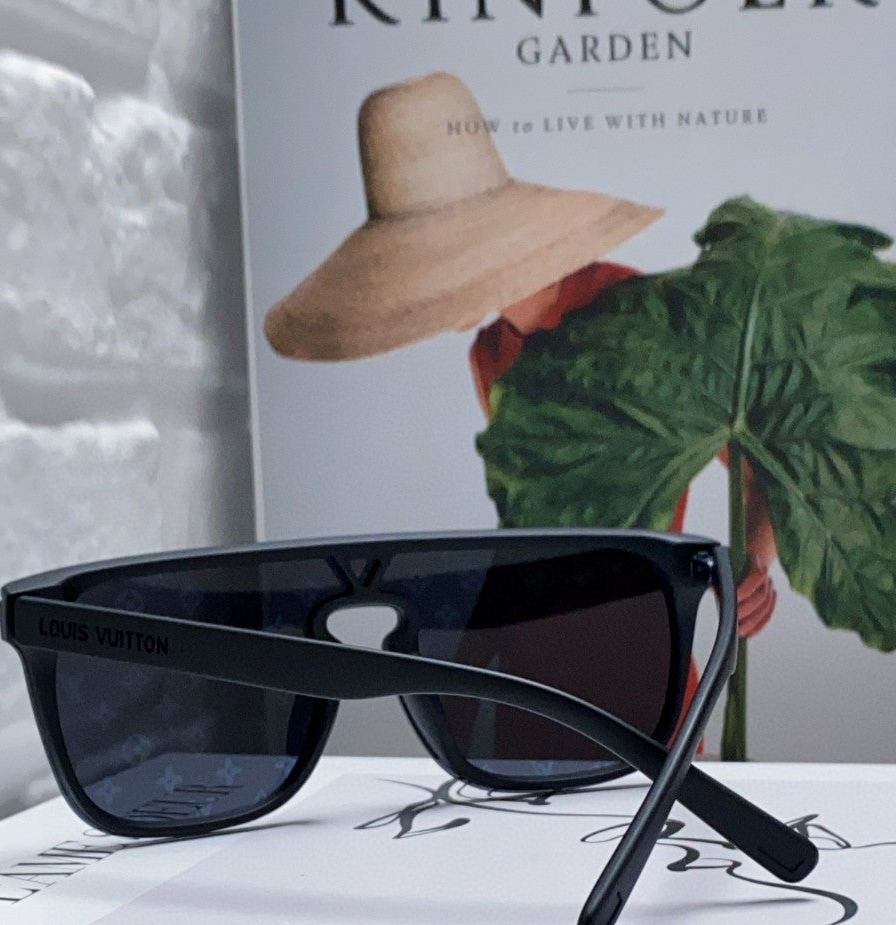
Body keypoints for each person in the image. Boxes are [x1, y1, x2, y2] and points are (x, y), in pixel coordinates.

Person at [265, 70, 776, 641]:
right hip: (533, 643)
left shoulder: (643, 322)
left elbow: (763, 462)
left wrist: (751, 566)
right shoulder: (489, 355)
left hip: (641, 642)